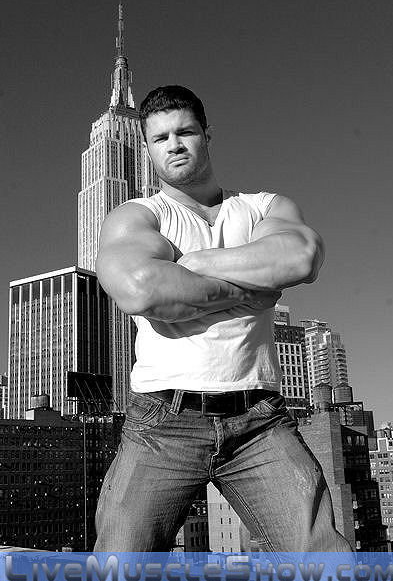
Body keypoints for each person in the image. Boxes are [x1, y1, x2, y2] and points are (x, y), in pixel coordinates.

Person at [94, 85, 352, 552]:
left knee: (324, 559)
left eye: (185, 132)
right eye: (160, 138)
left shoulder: (263, 206)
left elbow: (300, 257)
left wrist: (193, 265)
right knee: (121, 562)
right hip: (163, 422)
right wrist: (250, 290)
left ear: (207, 135)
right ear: (147, 148)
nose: (174, 145)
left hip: (259, 422)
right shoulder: (137, 217)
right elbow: (143, 289)